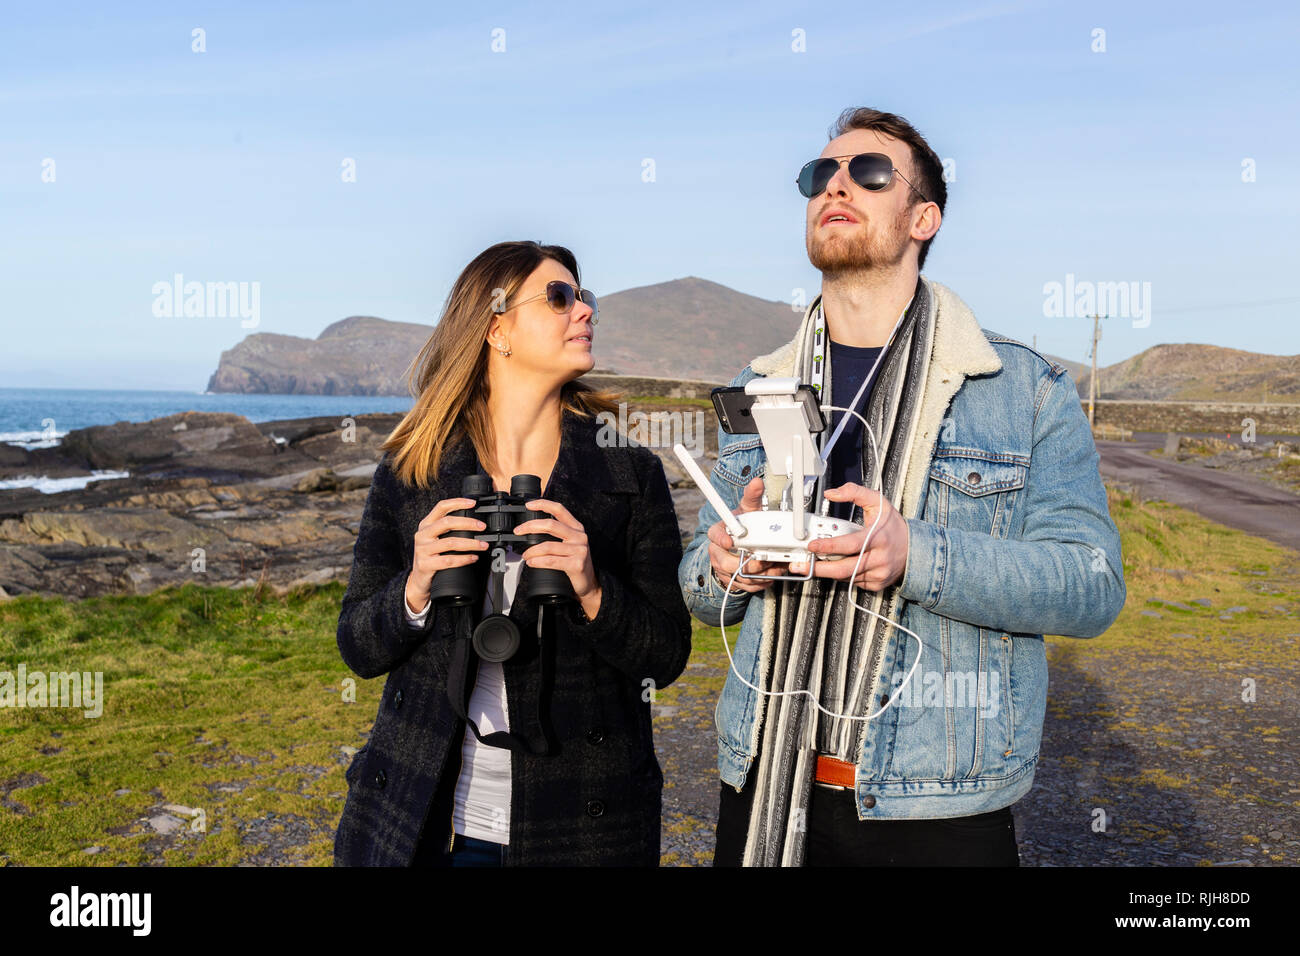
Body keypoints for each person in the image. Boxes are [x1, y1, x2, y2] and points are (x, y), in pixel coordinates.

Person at [678, 108, 1127, 866]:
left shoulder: (1023, 391)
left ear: (925, 217)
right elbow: (695, 585)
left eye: (870, 172)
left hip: (936, 807)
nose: (837, 186)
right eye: (821, 175)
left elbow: (1091, 583)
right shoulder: (759, 387)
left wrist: (914, 556)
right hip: (763, 784)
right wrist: (727, 564)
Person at [334, 240, 692, 866]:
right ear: (496, 328)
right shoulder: (413, 470)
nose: (583, 311)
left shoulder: (630, 474)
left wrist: (591, 589)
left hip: (582, 827)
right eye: (559, 297)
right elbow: (358, 647)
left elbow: (665, 656)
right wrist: (415, 589)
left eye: (584, 299)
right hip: (432, 820)